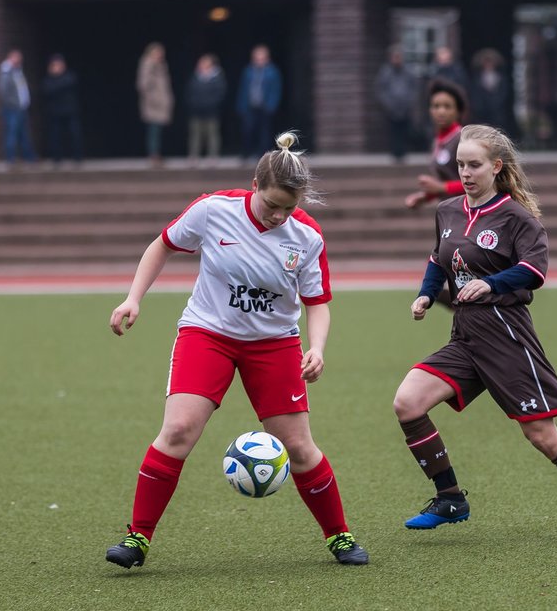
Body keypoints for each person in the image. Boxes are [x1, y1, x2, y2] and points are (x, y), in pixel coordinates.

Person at [104, 131, 369, 569]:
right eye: (271, 205)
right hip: (207, 334)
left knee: (299, 447)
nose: (279, 216)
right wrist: (133, 298)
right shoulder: (213, 210)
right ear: (254, 185)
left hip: (275, 344)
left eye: (289, 208)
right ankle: (137, 538)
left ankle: (339, 535)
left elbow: (318, 303)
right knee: (178, 431)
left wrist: (317, 348)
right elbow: (162, 246)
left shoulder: (306, 236)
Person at [395, 124, 557, 541]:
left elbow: (534, 270)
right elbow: (439, 259)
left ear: (496, 167)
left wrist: (492, 282)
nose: (466, 173)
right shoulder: (448, 210)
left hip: (506, 336)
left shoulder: (517, 218)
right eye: (460, 165)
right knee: (408, 402)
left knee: (541, 434)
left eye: (474, 165)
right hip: (466, 337)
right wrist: (426, 295)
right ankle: (450, 497)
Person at [404, 79, 467, 209]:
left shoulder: (463, 139)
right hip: (449, 210)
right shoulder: (438, 140)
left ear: (458, 111)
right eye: (436, 106)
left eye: (447, 106)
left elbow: (477, 182)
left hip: (467, 210)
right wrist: (425, 197)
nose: (441, 111)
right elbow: (443, 183)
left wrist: (441, 187)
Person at [237, 45, 283, 160]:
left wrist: (272, 105)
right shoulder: (248, 71)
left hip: (265, 106)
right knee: (248, 129)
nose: (259, 61)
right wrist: (241, 105)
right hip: (251, 105)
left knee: (265, 132)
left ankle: (262, 155)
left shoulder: (272, 72)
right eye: (257, 58)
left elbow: (276, 90)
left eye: (261, 58)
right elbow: (243, 89)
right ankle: (246, 153)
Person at [374, 44, 419, 161]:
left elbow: (413, 88)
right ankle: (395, 153)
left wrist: (408, 102)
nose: (397, 59)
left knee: (404, 131)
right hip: (391, 109)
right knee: (393, 132)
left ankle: (403, 153)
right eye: (395, 57)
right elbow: (381, 90)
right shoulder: (385, 72)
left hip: (405, 108)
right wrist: (388, 104)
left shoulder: (408, 72)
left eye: (399, 57)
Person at [0, 49, 36, 167]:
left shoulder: (18, 71)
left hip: (21, 108)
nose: (19, 60)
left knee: (24, 134)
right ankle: (11, 158)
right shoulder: (6, 73)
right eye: (16, 58)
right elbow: (3, 92)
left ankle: (29, 157)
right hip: (13, 109)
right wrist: (14, 104)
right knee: (12, 134)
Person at [41, 53, 82, 167]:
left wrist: (58, 85)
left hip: (70, 112)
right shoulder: (48, 80)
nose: (57, 67)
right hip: (55, 113)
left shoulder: (69, 76)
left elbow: (70, 82)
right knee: (55, 137)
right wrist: (59, 85)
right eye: (55, 65)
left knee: (75, 135)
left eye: (59, 65)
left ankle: (77, 158)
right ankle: (56, 159)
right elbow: (47, 90)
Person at [186, 53, 227, 164]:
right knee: (195, 135)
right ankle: (194, 157)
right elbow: (191, 93)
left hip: (212, 111)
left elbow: (220, 94)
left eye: (205, 63)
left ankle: (212, 157)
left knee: (212, 134)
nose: (202, 65)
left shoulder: (217, 77)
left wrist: (210, 104)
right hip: (197, 112)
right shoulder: (196, 77)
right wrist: (195, 104)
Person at [137, 42, 173, 167]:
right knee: (153, 131)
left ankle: (156, 155)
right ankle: (153, 156)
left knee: (157, 131)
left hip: (161, 103)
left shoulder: (161, 65)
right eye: (157, 53)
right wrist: (154, 99)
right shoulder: (148, 65)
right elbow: (143, 85)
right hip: (153, 104)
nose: (159, 55)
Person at [469, 47, 511, 132]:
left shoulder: (501, 78)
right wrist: (478, 106)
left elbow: (504, 92)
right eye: (486, 62)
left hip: (497, 110)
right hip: (482, 111)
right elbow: (475, 93)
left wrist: (497, 102)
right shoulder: (477, 78)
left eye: (491, 62)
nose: (488, 65)